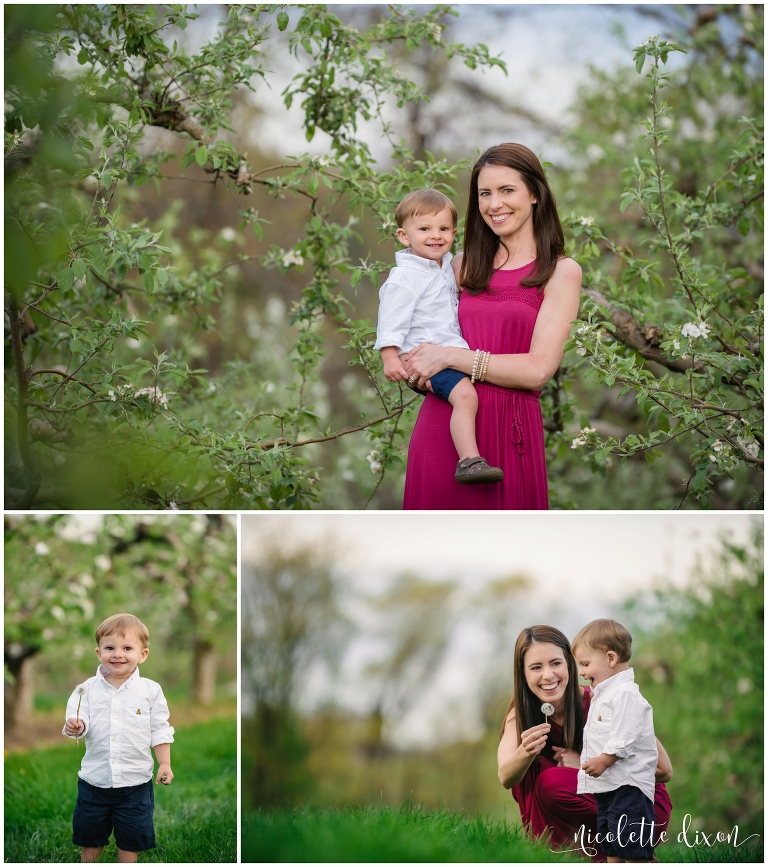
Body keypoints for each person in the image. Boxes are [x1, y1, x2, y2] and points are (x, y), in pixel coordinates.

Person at [401, 143, 582, 508]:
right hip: (445, 426)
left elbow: (536, 371)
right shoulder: (459, 266)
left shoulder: (561, 272)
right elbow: (413, 325)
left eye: (507, 190)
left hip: (511, 430)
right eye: (485, 193)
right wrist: (413, 365)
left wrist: (449, 356)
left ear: (534, 193)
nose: (494, 204)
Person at [497, 625, 673, 862]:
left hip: (637, 808)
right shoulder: (520, 717)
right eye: (536, 667)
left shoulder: (607, 701)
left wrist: (583, 765)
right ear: (523, 674)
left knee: (552, 783)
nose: (548, 675)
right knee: (535, 772)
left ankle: (630, 849)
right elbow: (506, 777)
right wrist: (526, 750)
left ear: (571, 664)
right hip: (591, 812)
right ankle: (573, 855)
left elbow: (664, 770)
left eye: (555, 663)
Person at [375, 188, 504, 484]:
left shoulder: (444, 266)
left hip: (444, 355)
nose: (436, 236)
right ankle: (469, 461)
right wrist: (390, 357)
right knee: (466, 397)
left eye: (443, 228)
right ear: (404, 236)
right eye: (424, 229)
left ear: (454, 232)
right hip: (420, 357)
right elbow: (391, 318)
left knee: (469, 397)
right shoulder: (405, 277)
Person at [63, 613, 175, 863]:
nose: (118, 654)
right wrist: (76, 725)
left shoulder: (150, 691)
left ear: (142, 654)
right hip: (95, 780)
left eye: (127, 648)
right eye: (110, 647)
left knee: (131, 835)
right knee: (90, 834)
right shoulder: (86, 689)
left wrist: (164, 763)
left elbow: (159, 728)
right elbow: (79, 717)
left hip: (135, 782)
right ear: (98, 652)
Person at [571, 619, 658, 863]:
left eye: (585, 664)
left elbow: (625, 737)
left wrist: (603, 760)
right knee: (611, 847)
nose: (581, 672)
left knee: (633, 850)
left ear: (610, 658)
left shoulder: (626, 694)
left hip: (628, 788)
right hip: (609, 788)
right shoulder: (606, 694)